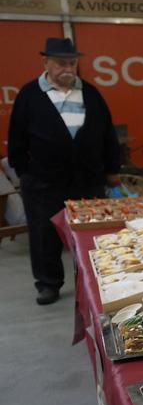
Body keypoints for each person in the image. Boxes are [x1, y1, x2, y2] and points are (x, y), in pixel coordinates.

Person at [7, 37, 121, 305]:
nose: (68, 68)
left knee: (91, 234)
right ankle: (48, 284)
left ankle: (96, 280)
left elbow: (107, 134)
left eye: (72, 63)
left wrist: (112, 169)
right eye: (61, 63)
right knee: (44, 236)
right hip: (43, 182)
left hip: (88, 180)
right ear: (46, 62)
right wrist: (25, 173)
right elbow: (17, 139)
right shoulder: (29, 94)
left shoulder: (91, 93)